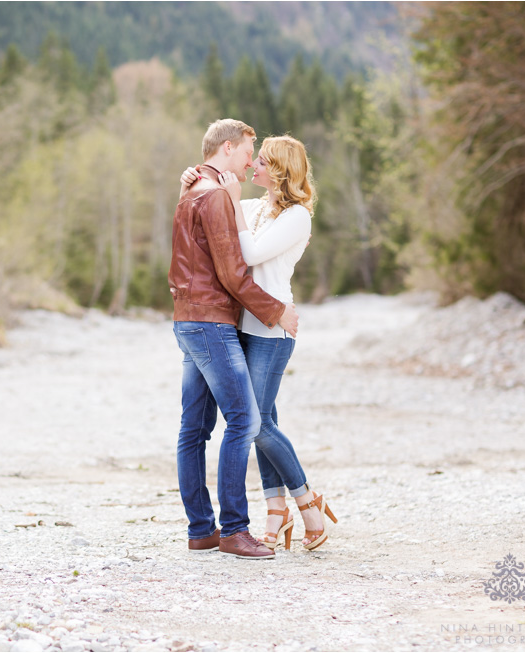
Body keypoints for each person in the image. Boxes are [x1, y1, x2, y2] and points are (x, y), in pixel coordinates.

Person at [180, 135, 337, 552]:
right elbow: (213, 219)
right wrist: (191, 184)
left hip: (272, 329)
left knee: (258, 423)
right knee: (263, 419)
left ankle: (305, 500)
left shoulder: (298, 216)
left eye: (262, 161)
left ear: (281, 170)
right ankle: (276, 508)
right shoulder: (256, 206)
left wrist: (232, 200)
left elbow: (248, 254)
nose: (253, 167)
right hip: (244, 326)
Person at [169, 119, 300, 560]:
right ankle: (234, 530)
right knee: (244, 420)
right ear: (227, 148)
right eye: (248, 152)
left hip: (187, 320)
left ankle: (201, 530)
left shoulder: (193, 188)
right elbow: (233, 272)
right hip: (211, 324)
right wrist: (276, 310)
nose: (250, 162)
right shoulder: (217, 196)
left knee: (194, 428)